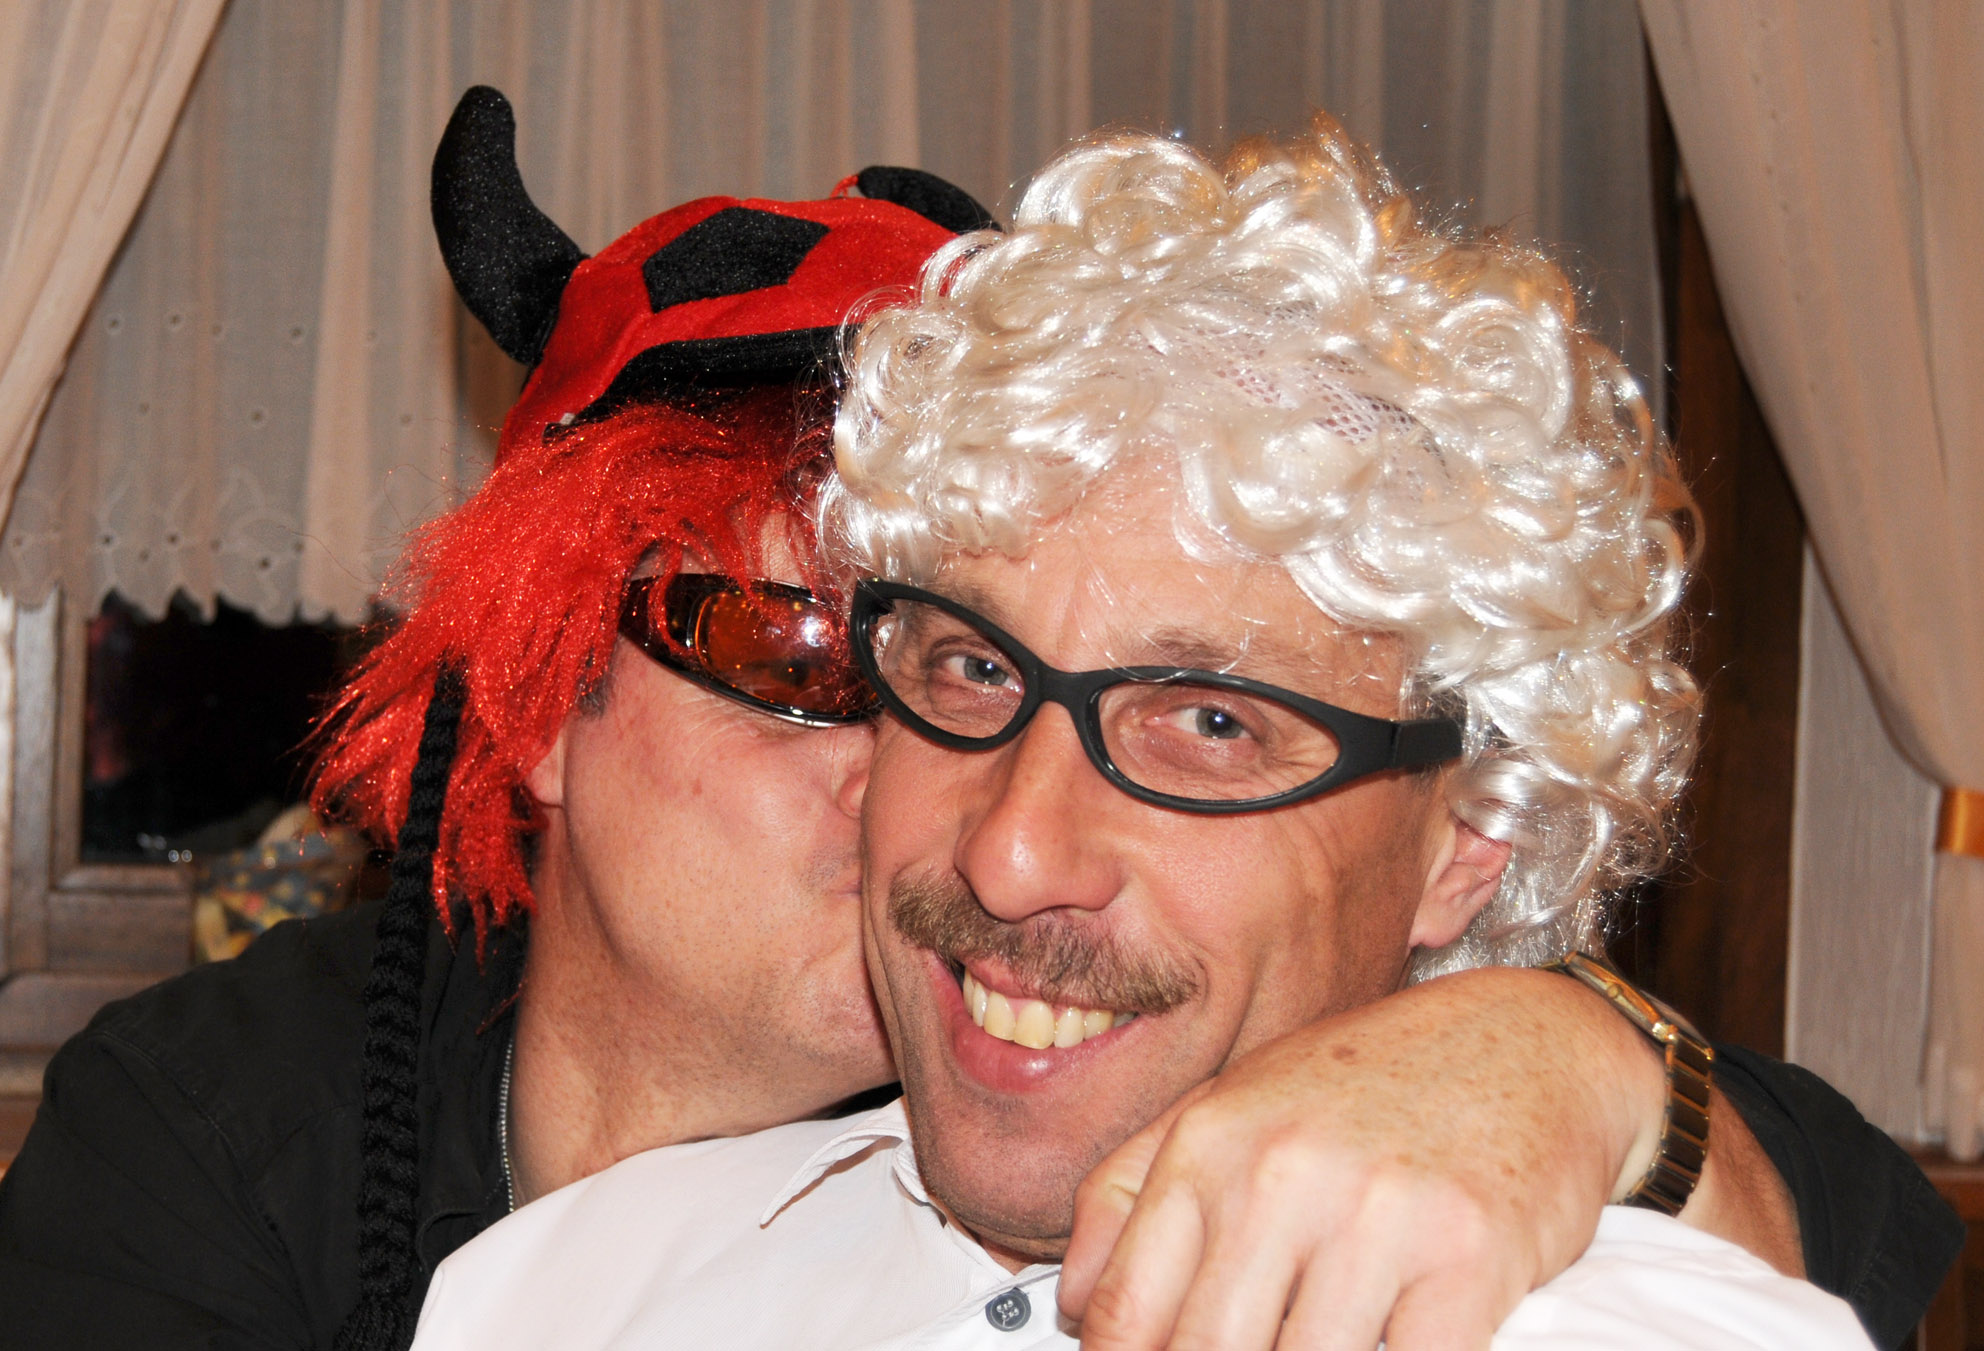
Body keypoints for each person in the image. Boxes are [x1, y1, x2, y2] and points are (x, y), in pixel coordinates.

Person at [0, 92, 1957, 1351]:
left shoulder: (1528, 1266)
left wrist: (1573, 1060)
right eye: (815, 661)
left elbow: (1844, 1214)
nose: (962, 818)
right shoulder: (269, 1153)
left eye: (1203, 721)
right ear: (537, 700)